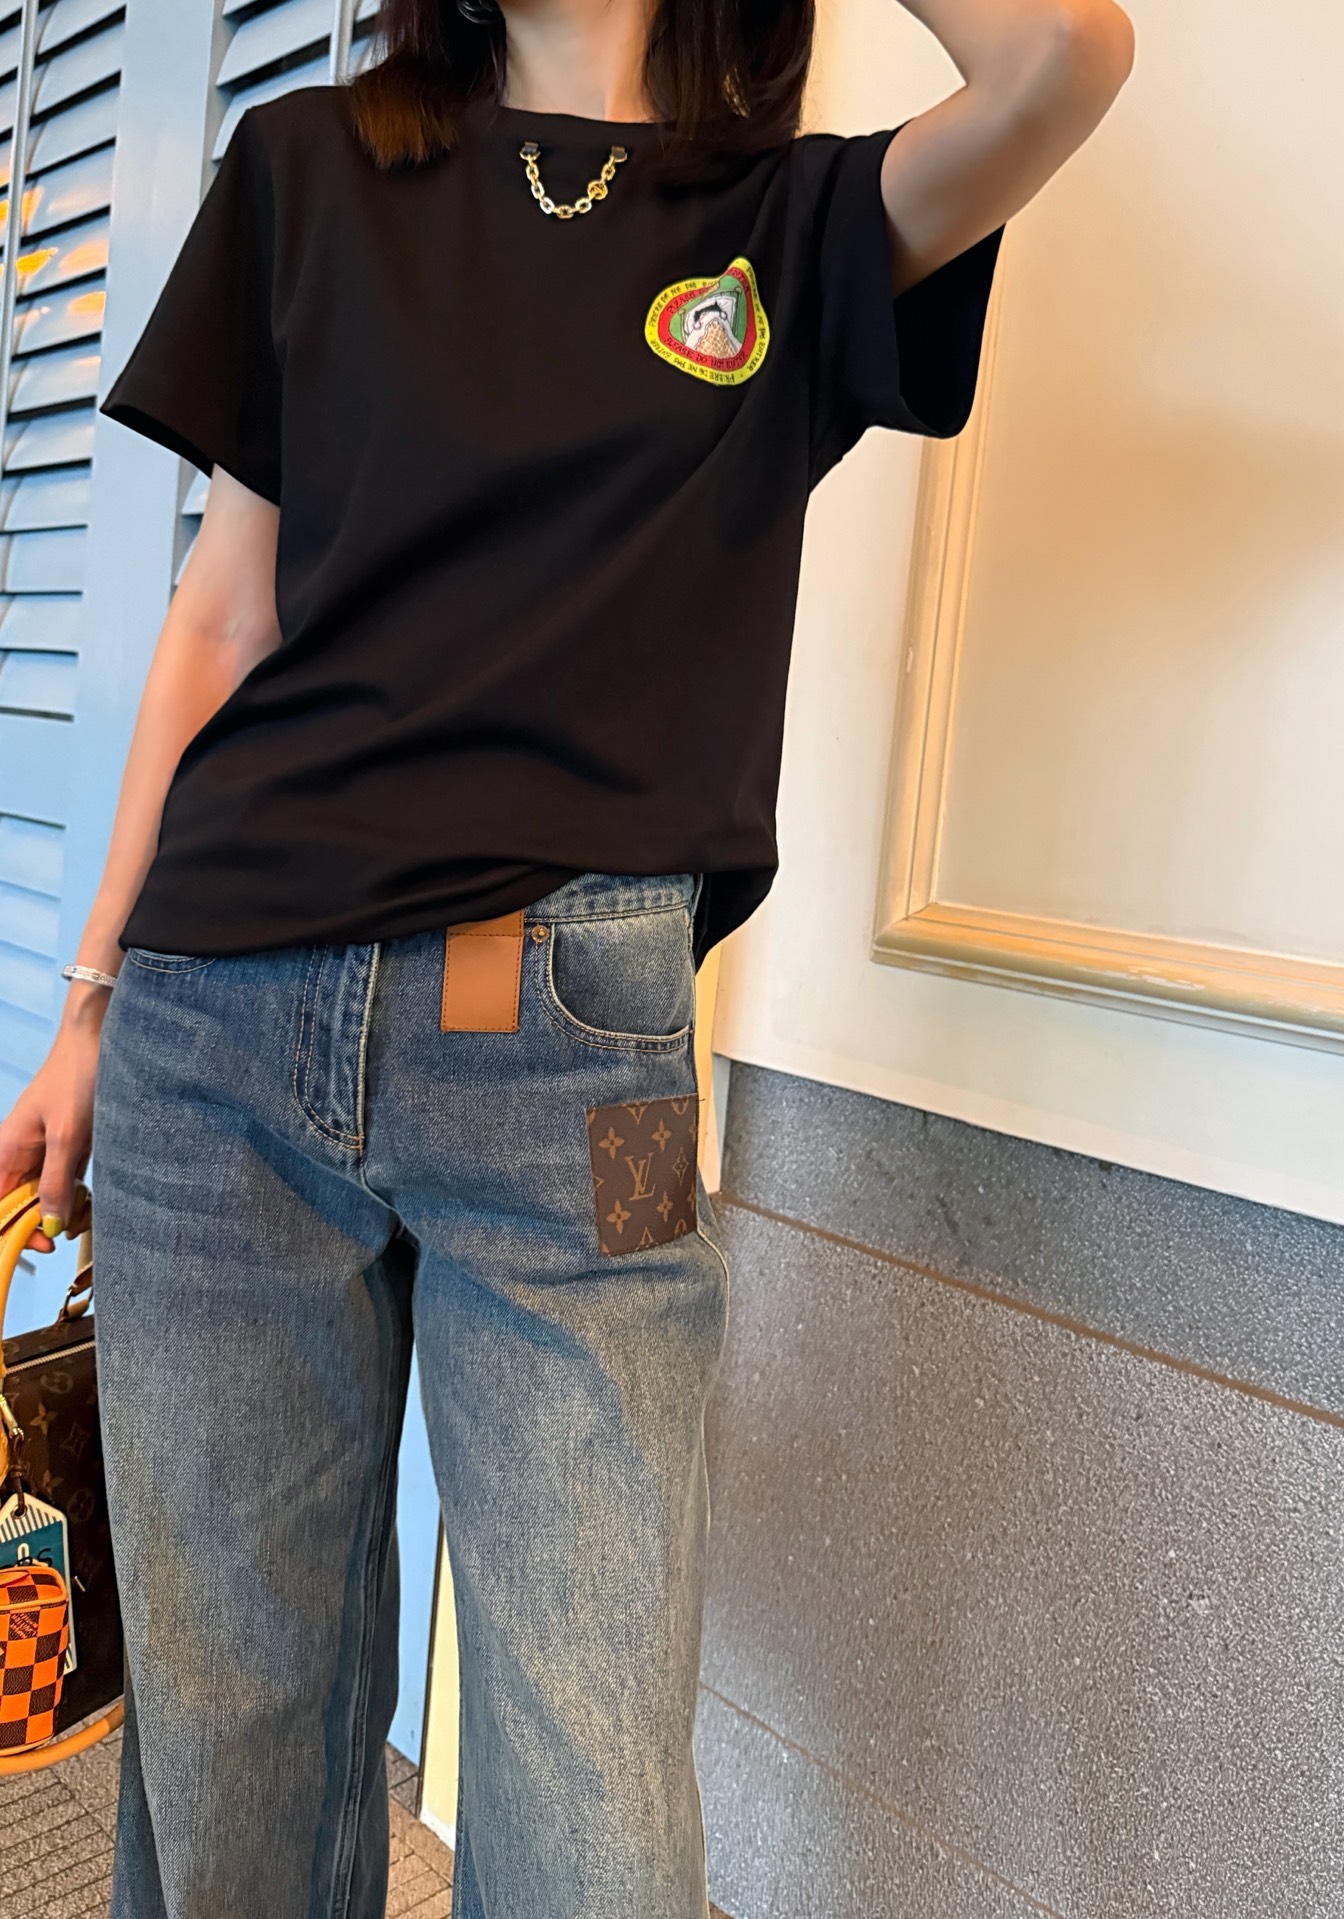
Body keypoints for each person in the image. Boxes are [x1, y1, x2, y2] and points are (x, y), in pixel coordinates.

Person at [0, 0, 1132, 1909]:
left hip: (569, 1057)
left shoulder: (790, 223)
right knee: (230, 1735)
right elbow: (219, 619)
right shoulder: (305, 170)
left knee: (589, 1790)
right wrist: (88, 1006)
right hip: (215, 1021)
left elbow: (1066, 61)